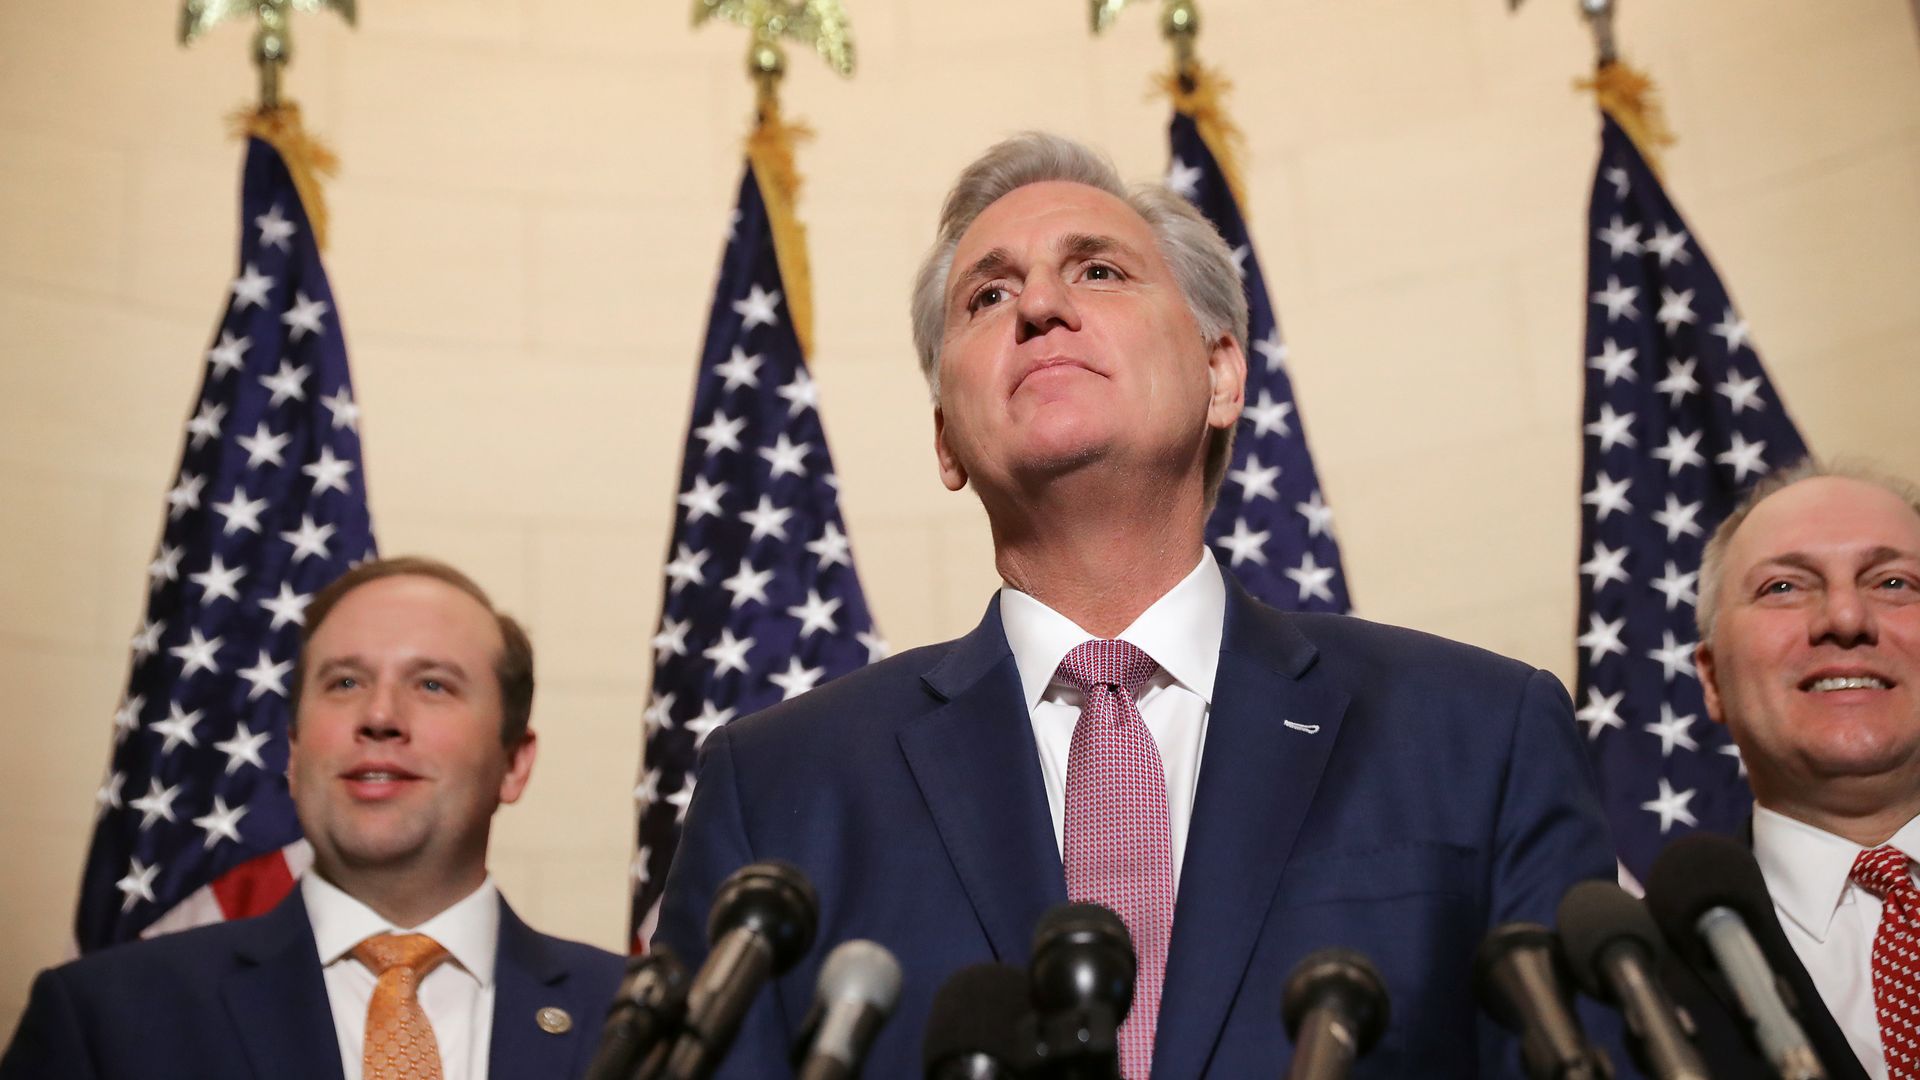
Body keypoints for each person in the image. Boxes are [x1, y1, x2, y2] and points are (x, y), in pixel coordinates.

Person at [652, 132, 1616, 1079]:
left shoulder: (1481, 737)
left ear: (1222, 376)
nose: (1037, 305)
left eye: (1100, 272)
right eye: (988, 296)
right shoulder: (776, 792)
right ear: (946, 440)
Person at [0, 556, 624, 1080]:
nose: (380, 715)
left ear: (514, 762)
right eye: (345, 682)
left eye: (433, 685)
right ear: (294, 756)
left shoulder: (642, 1022)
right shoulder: (105, 1017)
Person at [1665, 463, 1920, 1080]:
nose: (1846, 619)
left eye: (1893, 582)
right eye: (1783, 587)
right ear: (1712, 677)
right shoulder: (1644, 988)